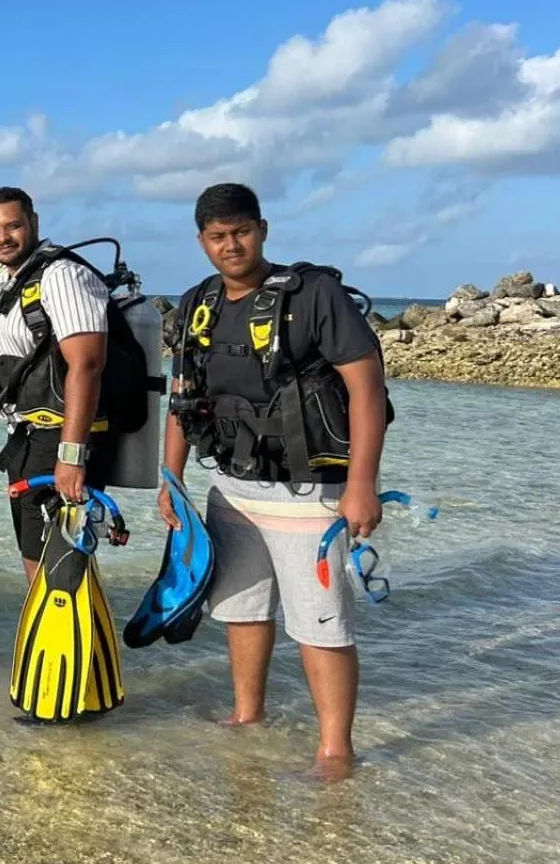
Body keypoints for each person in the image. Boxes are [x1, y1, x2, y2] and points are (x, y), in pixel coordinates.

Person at [162, 182, 391, 776]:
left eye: (241, 232)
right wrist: (170, 478)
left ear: (262, 229)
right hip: (232, 488)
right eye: (217, 236)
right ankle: (247, 715)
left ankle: (336, 749)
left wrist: (362, 484)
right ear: (201, 241)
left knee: (321, 621)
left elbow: (367, 386)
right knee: (241, 609)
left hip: (310, 493)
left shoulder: (314, 294)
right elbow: (182, 399)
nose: (230, 245)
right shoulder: (195, 304)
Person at [0, 186, 112, 578]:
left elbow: (87, 365)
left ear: (33, 223)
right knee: (35, 555)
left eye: (13, 225)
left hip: (64, 437)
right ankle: (48, 637)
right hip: (24, 437)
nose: (2, 237)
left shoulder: (62, 276)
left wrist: (71, 456)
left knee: (61, 566)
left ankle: (67, 638)